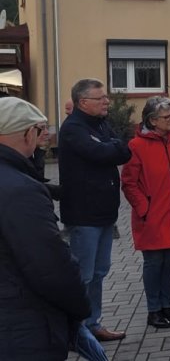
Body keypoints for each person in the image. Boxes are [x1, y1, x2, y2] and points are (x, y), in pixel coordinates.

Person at [0, 98, 91, 361]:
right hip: (21, 328)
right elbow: (49, 265)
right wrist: (79, 308)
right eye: (40, 130)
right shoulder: (21, 189)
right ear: (28, 133)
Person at [58, 79, 132, 342]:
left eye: (105, 97)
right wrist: (110, 147)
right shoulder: (73, 129)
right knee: (84, 275)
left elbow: (123, 151)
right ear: (83, 102)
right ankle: (76, 328)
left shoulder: (99, 124)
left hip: (104, 213)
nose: (106, 102)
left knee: (99, 272)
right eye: (100, 98)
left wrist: (110, 147)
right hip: (84, 214)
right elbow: (100, 153)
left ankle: (92, 324)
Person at [121, 97, 170, 329]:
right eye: (167, 117)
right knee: (154, 263)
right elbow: (129, 183)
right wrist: (144, 208)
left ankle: (166, 306)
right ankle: (153, 310)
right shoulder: (136, 146)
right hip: (152, 218)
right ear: (153, 120)